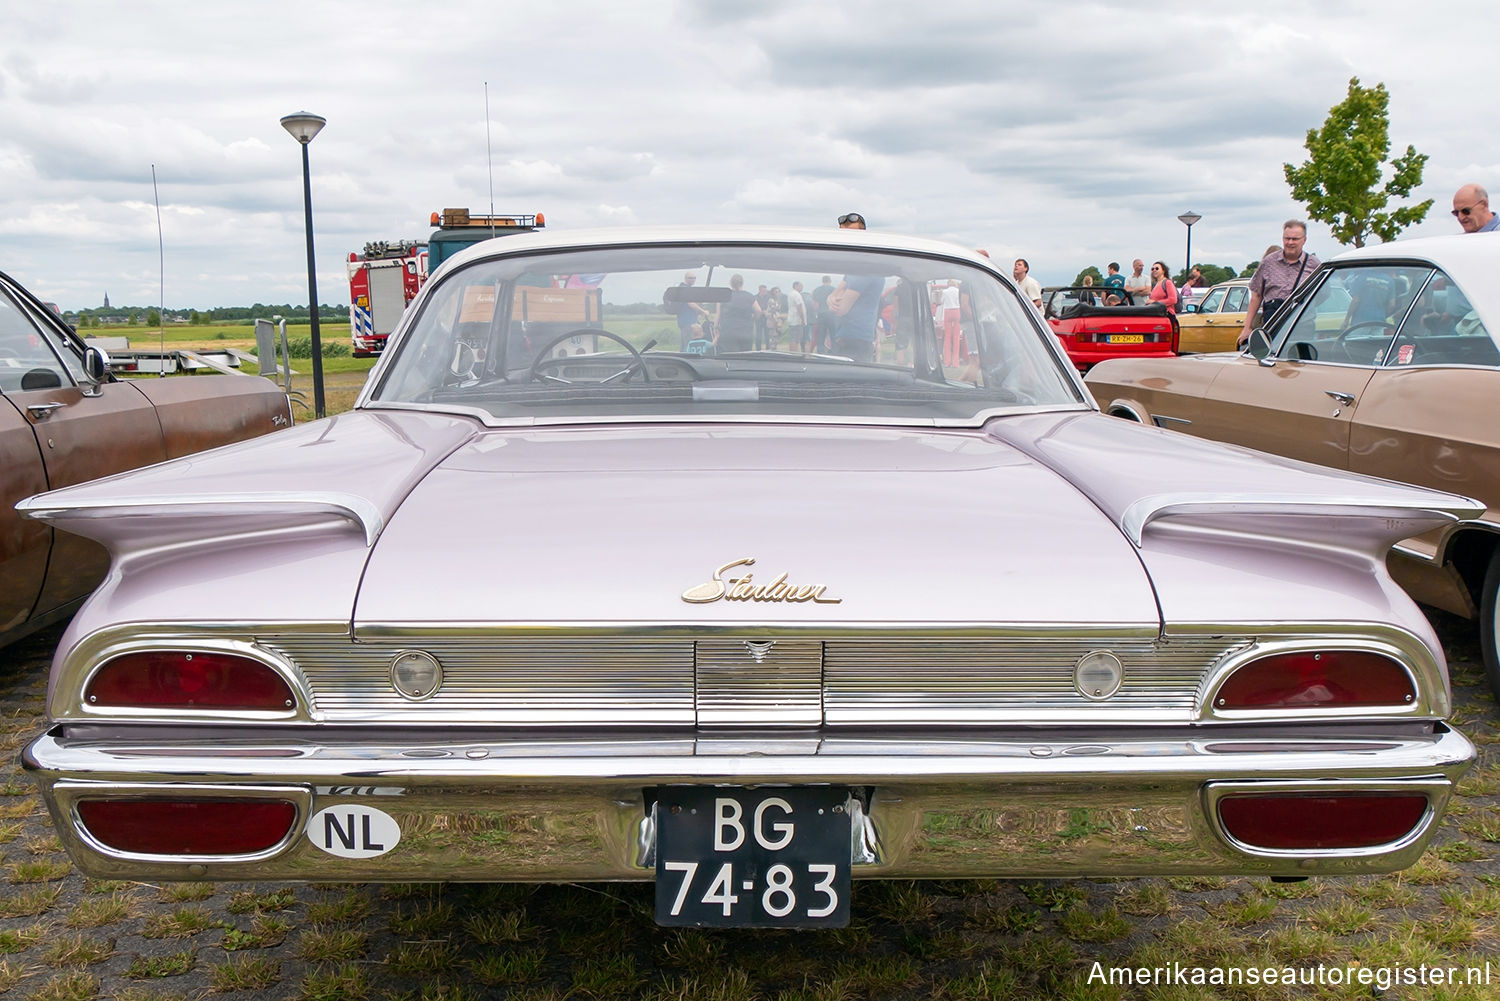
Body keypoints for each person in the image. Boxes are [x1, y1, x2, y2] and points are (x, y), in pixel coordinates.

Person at [1239, 220, 1321, 347]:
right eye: (1287, 238)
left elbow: (1323, 293)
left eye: (1295, 239)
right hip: (1273, 323)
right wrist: (1247, 327)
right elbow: (1256, 295)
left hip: (1302, 324)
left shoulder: (1314, 264)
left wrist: (1306, 306)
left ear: (1304, 240)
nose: (1290, 242)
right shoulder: (1269, 262)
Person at [827, 271, 885, 362]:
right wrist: (831, 299)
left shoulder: (863, 274)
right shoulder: (853, 273)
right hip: (854, 337)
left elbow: (840, 308)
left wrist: (831, 299)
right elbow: (832, 297)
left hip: (854, 340)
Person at [714, 274, 760, 353]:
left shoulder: (723, 296)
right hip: (746, 333)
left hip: (728, 332)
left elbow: (718, 314)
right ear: (742, 283)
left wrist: (715, 327)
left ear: (731, 283)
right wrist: (753, 319)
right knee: (745, 357)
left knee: (730, 357)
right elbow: (758, 310)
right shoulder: (749, 296)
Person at [668, 273, 708, 351]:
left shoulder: (682, 288)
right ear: (685, 278)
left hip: (685, 321)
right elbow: (691, 303)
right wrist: (703, 312)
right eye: (690, 278)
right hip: (688, 322)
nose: (693, 280)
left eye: (694, 278)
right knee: (689, 345)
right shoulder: (685, 289)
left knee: (684, 346)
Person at [811, 275, 836, 352]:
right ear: (830, 281)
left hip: (821, 315)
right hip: (832, 315)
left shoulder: (817, 290)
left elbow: (815, 305)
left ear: (822, 281)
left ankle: (820, 353)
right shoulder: (834, 290)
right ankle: (835, 353)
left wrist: (817, 313)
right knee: (833, 336)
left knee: (820, 336)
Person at [786, 280, 811, 352]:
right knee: (795, 339)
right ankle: (794, 353)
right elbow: (799, 306)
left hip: (792, 319)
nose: (802, 287)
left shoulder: (791, 294)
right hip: (797, 320)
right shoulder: (796, 294)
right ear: (796, 286)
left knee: (793, 338)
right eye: (800, 286)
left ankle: (792, 353)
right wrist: (802, 319)